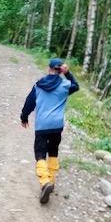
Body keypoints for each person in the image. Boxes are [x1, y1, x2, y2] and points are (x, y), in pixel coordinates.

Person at [20, 58, 78, 204]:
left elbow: (29, 103)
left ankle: (45, 182)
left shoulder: (39, 85)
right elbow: (76, 86)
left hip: (42, 126)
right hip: (57, 126)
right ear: (60, 70)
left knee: (40, 154)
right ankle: (51, 181)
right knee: (53, 152)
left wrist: (24, 117)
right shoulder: (65, 85)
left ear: (49, 68)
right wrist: (68, 74)